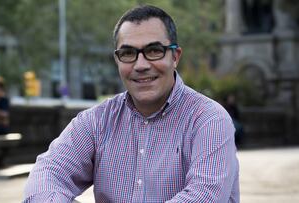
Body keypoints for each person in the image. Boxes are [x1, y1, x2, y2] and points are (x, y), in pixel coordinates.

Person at [24, 5, 239, 202]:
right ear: (117, 60)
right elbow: (47, 175)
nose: (141, 65)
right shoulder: (97, 121)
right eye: (128, 53)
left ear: (175, 56)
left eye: (154, 50)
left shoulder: (209, 119)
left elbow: (205, 196)